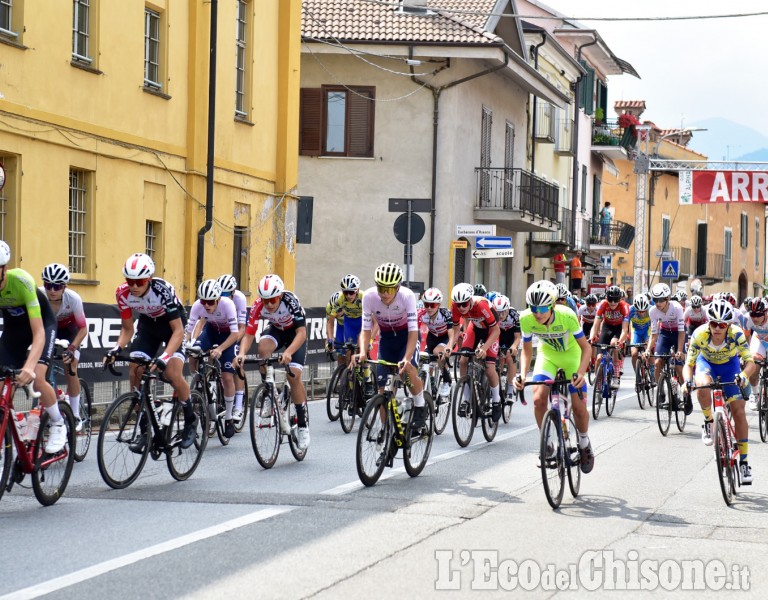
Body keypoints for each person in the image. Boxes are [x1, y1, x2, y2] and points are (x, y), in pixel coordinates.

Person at [104, 253, 197, 450]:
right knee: (135, 370)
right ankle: (145, 429)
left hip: (173, 325)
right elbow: (128, 329)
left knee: (171, 372)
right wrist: (115, 349)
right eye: (130, 281)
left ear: (149, 279)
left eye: (140, 281)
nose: (134, 286)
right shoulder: (122, 293)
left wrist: (164, 357)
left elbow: (179, 332)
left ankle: (190, 419)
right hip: (148, 325)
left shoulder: (162, 291)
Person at [513, 281, 594, 473]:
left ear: (552, 305)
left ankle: (584, 443)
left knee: (579, 407)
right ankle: (546, 443)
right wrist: (523, 374)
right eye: (534, 308)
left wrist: (581, 373)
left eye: (542, 308)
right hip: (547, 356)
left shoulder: (567, 315)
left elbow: (586, 348)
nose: (538, 313)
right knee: (538, 398)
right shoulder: (525, 318)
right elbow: (525, 350)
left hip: (571, 358)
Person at [0, 242, 68, 453]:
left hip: (42, 325)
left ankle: (58, 422)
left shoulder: (21, 281)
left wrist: (29, 366)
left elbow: (39, 333)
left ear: (4, 269)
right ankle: (15, 429)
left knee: (38, 378)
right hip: (14, 331)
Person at [682, 300, 755, 483]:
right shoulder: (699, 334)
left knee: (739, 412)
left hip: (730, 367)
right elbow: (689, 365)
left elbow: (750, 362)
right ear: (709, 322)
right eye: (713, 323)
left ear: (728, 325)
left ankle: (744, 462)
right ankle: (708, 421)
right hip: (706, 365)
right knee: (702, 384)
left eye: (721, 325)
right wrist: (686, 381)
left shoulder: (736, 334)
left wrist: (744, 376)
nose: (716, 328)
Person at [235, 274, 311, 450]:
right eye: (265, 300)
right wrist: (242, 353)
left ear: (281, 295)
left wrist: (289, 352)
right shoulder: (258, 306)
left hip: (295, 334)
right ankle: (268, 392)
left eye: (273, 299)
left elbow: (302, 334)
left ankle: (302, 425)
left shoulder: (290, 301)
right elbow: (248, 333)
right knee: (262, 350)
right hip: (277, 330)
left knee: (294, 377)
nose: (269, 304)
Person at [353, 263, 427, 429]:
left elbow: (413, 331)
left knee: (408, 373)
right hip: (386, 339)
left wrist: (407, 358)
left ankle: (420, 406)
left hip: (406, 337)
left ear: (398, 288)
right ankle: (387, 433)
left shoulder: (407, 296)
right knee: (382, 391)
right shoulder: (369, 297)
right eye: (381, 288)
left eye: (391, 289)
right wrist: (363, 351)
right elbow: (365, 330)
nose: (385, 294)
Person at [186, 279, 241, 438]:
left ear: (218, 299)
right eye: (204, 302)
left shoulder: (227, 305)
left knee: (227, 376)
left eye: (210, 302)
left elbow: (235, 334)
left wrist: (220, 349)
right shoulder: (198, 306)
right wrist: (187, 344)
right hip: (211, 332)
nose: (207, 305)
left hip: (228, 336)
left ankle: (229, 417)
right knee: (193, 353)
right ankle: (198, 382)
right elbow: (189, 330)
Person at [41, 263, 88, 431]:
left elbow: (83, 329)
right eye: (48, 285)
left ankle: (75, 414)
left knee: (71, 366)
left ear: (64, 286)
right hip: (48, 329)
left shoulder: (73, 298)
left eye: (57, 286)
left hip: (70, 331)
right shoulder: (39, 296)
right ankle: (50, 405)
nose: (52, 290)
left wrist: (72, 348)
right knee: (41, 368)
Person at [447, 283, 502, 422]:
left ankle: (496, 401)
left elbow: (496, 331)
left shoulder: (481, 305)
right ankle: (466, 400)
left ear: (470, 300)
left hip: (491, 330)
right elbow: (455, 329)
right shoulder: (456, 307)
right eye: (458, 304)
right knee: (463, 360)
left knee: (490, 368)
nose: (461, 308)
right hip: (475, 328)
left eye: (464, 304)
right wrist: (449, 346)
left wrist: (484, 348)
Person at [645, 282, 687, 412]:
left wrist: (680, 351)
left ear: (667, 298)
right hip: (664, 334)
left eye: (661, 300)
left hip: (677, 334)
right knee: (657, 362)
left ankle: (686, 395)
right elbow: (654, 335)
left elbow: (681, 332)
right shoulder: (652, 311)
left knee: (679, 367)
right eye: (655, 300)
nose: (658, 303)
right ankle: (661, 391)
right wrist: (647, 350)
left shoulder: (677, 308)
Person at [217, 274, 248, 426]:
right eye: (220, 294)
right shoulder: (214, 298)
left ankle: (238, 406)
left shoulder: (240, 299)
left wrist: (230, 344)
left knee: (237, 360)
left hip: (237, 331)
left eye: (225, 294)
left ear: (233, 292)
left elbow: (242, 328)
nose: (223, 297)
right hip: (220, 328)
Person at [589, 285, 630, 389]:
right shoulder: (602, 305)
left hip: (618, 329)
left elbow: (625, 329)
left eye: (615, 300)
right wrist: (591, 337)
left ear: (620, 299)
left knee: (614, 344)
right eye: (610, 299)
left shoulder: (624, 306)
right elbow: (595, 324)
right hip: (606, 328)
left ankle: (616, 375)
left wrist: (620, 341)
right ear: (606, 298)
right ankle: (598, 379)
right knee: (599, 358)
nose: (612, 302)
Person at [418, 287, 455, 398]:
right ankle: (430, 384)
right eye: (426, 304)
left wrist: (449, 345)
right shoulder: (421, 313)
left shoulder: (445, 314)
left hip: (445, 337)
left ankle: (446, 380)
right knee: (424, 361)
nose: (429, 308)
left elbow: (451, 332)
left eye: (433, 305)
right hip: (432, 337)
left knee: (437, 353)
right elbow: (414, 331)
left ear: (438, 305)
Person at [492, 295, 523, 405]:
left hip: (510, 335)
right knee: (498, 357)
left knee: (510, 357)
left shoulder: (514, 315)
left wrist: (514, 347)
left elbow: (518, 337)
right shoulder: (492, 315)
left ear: (508, 310)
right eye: (498, 312)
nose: (500, 315)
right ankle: (498, 379)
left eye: (503, 312)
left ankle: (510, 388)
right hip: (498, 334)